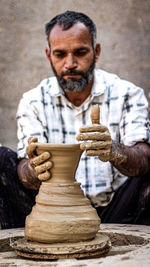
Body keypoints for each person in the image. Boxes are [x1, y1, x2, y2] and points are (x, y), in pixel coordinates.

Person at [0, 11, 150, 229]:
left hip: (116, 211)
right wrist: (33, 170)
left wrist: (115, 151)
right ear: (48, 55)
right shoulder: (33, 101)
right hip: (54, 211)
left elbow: (144, 158)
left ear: (96, 52)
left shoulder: (127, 93)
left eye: (80, 52)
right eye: (60, 54)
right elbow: (24, 167)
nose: (70, 64)